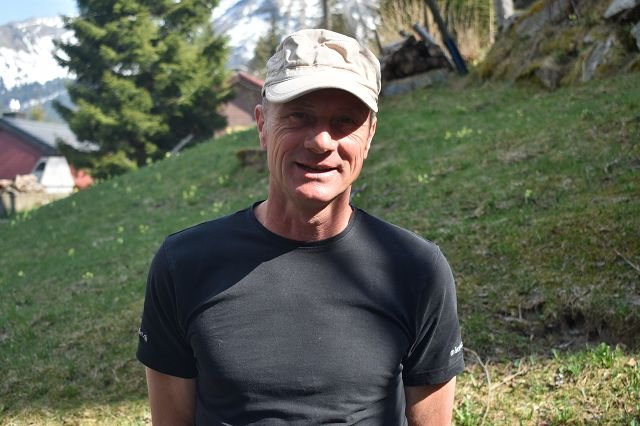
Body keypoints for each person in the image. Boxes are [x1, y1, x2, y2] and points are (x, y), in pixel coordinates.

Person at [137, 28, 464, 425]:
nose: (321, 141)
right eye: (299, 116)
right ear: (262, 125)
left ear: (369, 136)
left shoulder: (416, 270)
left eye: (345, 122)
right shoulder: (184, 265)